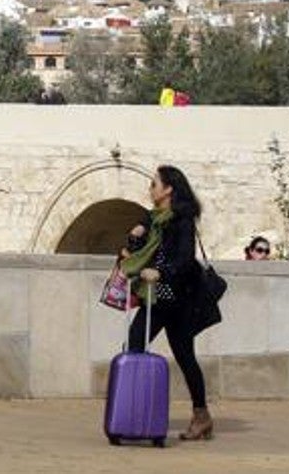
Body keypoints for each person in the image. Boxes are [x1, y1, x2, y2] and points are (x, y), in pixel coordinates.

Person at [121, 165, 210, 441]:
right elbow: (137, 252)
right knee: (135, 345)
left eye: (154, 184)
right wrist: (134, 237)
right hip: (155, 296)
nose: (151, 189)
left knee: (182, 356)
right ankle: (134, 412)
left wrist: (161, 272)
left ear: (168, 189)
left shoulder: (182, 220)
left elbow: (184, 259)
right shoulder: (151, 219)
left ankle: (200, 416)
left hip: (177, 298)